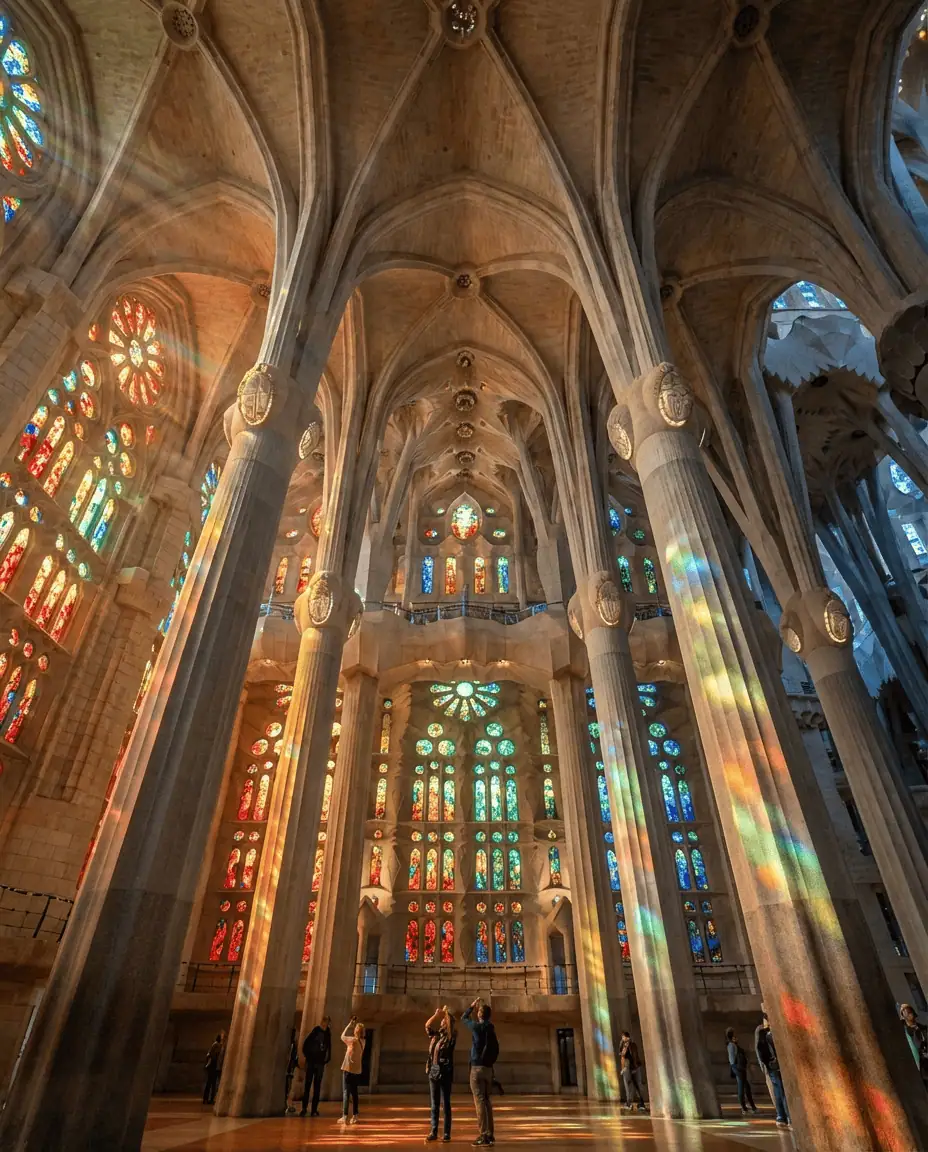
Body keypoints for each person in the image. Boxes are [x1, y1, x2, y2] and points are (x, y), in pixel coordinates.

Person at [462, 997, 498, 1147]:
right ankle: (490, 1134)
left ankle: (483, 1135)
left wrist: (471, 1007)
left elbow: (463, 1018)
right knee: (487, 1100)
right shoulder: (491, 1027)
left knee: (479, 1101)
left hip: (477, 1068)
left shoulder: (476, 1027)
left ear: (479, 1014)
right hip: (489, 1068)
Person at [425, 1004, 457, 1143]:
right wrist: (436, 1015)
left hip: (445, 1072)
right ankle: (433, 1131)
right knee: (434, 1103)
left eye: (444, 1020)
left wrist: (445, 1013)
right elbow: (427, 1025)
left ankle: (446, 1133)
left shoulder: (451, 1036)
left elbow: (450, 1027)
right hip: (433, 1071)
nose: (442, 1021)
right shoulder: (436, 1035)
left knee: (446, 1103)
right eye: (442, 1020)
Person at [755, 1012, 789, 1128]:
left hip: (773, 1066)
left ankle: (781, 1116)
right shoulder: (764, 1034)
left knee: (779, 1091)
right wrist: (767, 1063)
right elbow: (760, 1051)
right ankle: (786, 1116)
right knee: (781, 1091)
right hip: (774, 1066)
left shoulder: (763, 1033)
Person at [300, 1014, 332, 1117]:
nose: (325, 1024)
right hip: (311, 1062)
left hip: (320, 1063)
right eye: (324, 1022)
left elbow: (329, 1047)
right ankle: (304, 1108)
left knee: (317, 1086)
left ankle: (314, 1109)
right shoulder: (316, 1031)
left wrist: (326, 1059)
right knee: (307, 1085)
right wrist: (308, 1057)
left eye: (326, 1022)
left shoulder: (328, 1033)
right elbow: (306, 1044)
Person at [338, 1016, 366, 1126]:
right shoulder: (363, 1042)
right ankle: (355, 1116)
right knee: (355, 1093)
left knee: (346, 1092)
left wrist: (349, 1025)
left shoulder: (352, 1041)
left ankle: (344, 1116)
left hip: (348, 1069)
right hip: (357, 1071)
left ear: (355, 1031)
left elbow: (342, 1036)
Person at [726, 1028, 757, 1115]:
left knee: (746, 1087)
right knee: (742, 1088)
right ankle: (745, 1108)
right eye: (735, 1036)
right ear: (732, 1037)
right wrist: (737, 1069)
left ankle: (750, 1107)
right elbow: (732, 1060)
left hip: (739, 1068)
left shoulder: (734, 1045)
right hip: (738, 1068)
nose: (737, 1038)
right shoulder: (731, 1045)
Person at [900, 1003, 928, 1085]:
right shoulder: (907, 1032)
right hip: (921, 1062)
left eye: (910, 1012)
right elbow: (917, 1045)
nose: (909, 1015)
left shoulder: (923, 1028)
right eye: (906, 1013)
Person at [618, 1031, 646, 1112]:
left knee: (629, 1085)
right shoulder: (632, 1045)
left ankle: (629, 1103)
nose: (622, 1039)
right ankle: (641, 1103)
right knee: (637, 1085)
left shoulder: (627, 1045)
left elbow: (623, 1055)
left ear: (626, 1037)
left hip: (629, 1067)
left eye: (623, 1037)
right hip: (634, 1067)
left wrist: (625, 1068)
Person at [203, 1031, 225, 1106]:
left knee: (212, 1084)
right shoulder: (216, 1045)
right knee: (211, 1083)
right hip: (213, 1067)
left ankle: (210, 1099)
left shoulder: (219, 1046)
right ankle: (207, 1099)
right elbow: (211, 1054)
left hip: (216, 1067)